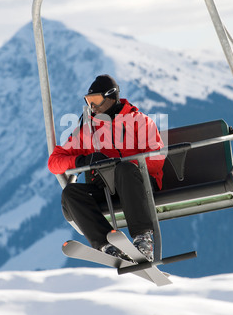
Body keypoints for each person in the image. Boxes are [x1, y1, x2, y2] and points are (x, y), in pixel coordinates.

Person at [48, 74, 165, 262]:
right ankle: (106, 244)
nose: (92, 106)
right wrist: (82, 161)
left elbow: (157, 157)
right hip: (105, 188)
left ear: (111, 97)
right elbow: (54, 162)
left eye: (96, 100)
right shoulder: (88, 131)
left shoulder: (139, 122)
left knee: (124, 170)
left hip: (139, 184)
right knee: (71, 192)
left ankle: (142, 239)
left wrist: (124, 163)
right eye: (88, 100)